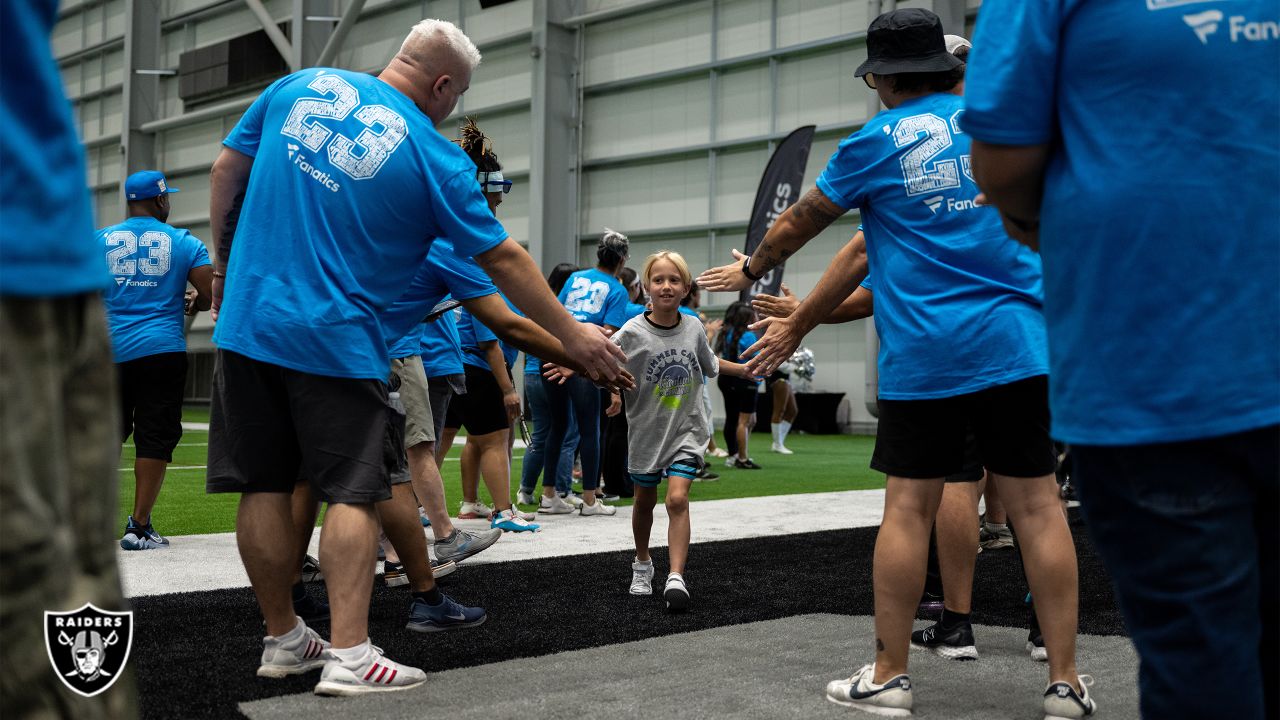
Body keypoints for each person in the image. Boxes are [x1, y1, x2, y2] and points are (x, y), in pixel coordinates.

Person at [206, 18, 625, 696]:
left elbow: (228, 168)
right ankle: (350, 652)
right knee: (354, 491)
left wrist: (225, 272)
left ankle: (283, 636)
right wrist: (576, 338)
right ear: (441, 85)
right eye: (457, 96)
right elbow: (504, 260)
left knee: (263, 486)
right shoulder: (438, 158)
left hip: (248, 325)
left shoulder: (299, 84)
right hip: (338, 340)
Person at [698, 9, 1089, 718]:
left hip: (928, 355)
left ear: (879, 77)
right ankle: (1064, 682)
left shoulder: (874, 142)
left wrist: (754, 265)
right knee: (1038, 508)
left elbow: (810, 224)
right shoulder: (999, 125)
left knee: (909, 509)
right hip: (1020, 345)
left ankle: (889, 675)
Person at [965, 1, 1278, 718]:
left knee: (1201, 672)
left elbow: (1004, 159)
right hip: (1151, 362)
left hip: (1151, 365)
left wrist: (1036, 222)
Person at [0, 1, 138, 714]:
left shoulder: (114, 238)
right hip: (39, 264)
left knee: (78, 600)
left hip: (59, 259)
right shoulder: (176, 244)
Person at [606, 251, 754, 612]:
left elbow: (712, 364)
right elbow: (604, 361)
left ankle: (676, 576)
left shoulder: (693, 327)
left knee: (676, 499)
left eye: (674, 280)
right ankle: (642, 562)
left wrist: (748, 369)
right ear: (646, 288)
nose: (666, 286)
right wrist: (600, 382)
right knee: (644, 502)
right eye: (659, 280)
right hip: (646, 432)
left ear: (686, 288)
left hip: (687, 431)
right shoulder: (632, 332)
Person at [99, 170, 213, 550]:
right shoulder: (184, 242)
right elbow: (210, 295)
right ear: (162, 200)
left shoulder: (98, 241)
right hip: (160, 351)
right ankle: (139, 526)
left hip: (109, 352)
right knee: (155, 438)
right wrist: (194, 301)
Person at [538, 229, 633, 516]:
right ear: (622, 259)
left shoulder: (574, 278)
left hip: (554, 352)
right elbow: (610, 336)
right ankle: (590, 499)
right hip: (584, 361)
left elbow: (559, 313)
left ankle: (548, 495)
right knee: (589, 429)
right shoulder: (617, 289)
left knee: (558, 425)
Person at [518, 263, 580, 506]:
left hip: (532, 374)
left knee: (542, 434)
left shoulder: (538, 305)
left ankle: (526, 489)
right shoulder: (561, 308)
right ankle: (562, 489)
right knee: (566, 433)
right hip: (554, 372)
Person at [714, 301, 762, 469]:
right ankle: (742, 458)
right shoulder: (748, 335)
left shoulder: (727, 332)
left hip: (727, 378)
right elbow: (758, 357)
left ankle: (734, 454)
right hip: (744, 379)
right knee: (744, 421)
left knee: (734, 418)